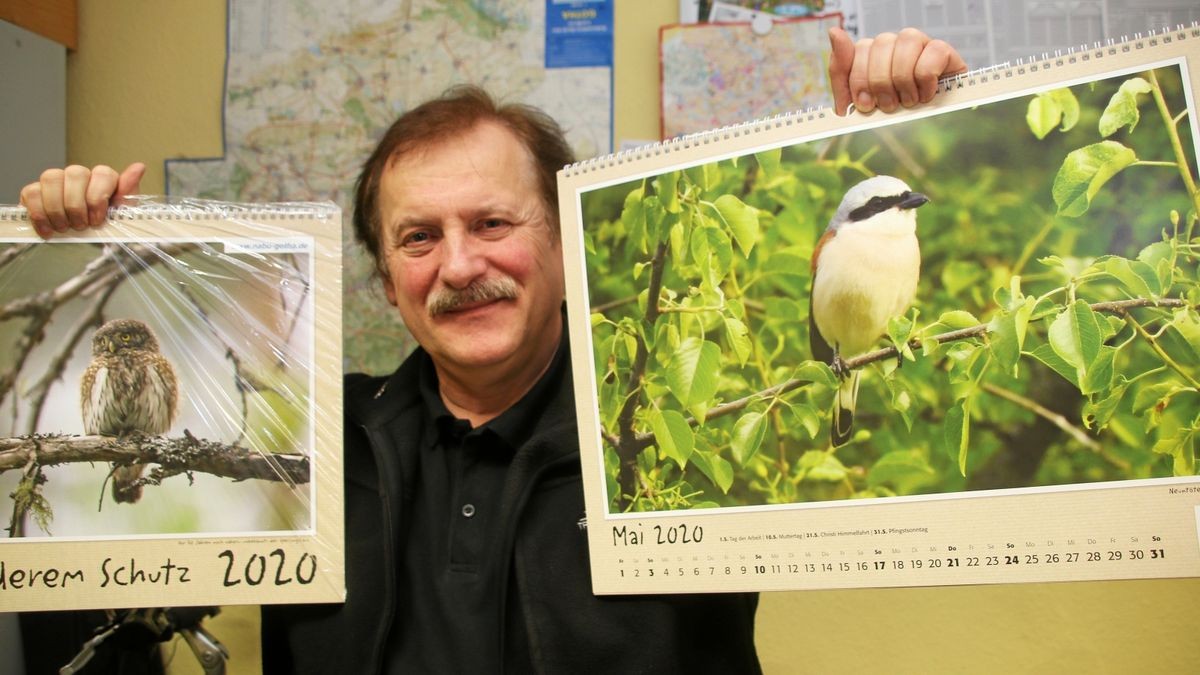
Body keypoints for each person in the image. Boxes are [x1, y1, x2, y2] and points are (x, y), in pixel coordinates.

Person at [18, 27, 965, 674]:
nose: (460, 265)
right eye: (418, 237)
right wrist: (82, 242)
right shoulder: (320, 443)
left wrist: (892, 115)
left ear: (562, 245)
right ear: (388, 280)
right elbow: (107, 620)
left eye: (494, 222)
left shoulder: (669, 424)